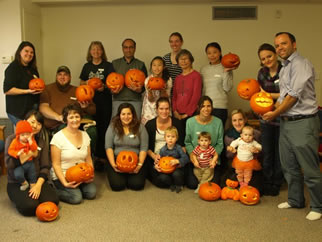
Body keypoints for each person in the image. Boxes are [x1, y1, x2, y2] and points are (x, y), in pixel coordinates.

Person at [263, 32, 321, 221]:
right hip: (286, 123)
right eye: (277, 45)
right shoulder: (284, 69)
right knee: (289, 166)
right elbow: (282, 97)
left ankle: (318, 206)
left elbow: (293, 96)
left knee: (309, 168)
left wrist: (274, 113)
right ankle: (295, 200)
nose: (280, 48)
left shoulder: (301, 64)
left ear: (294, 44)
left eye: (283, 44)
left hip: (303, 122)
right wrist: (269, 108)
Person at [5, 110, 59, 216]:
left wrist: (38, 185)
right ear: (25, 121)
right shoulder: (12, 139)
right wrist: (29, 154)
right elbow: (9, 165)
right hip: (17, 182)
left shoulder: (41, 142)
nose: (35, 126)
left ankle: (36, 191)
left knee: (53, 201)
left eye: (39, 124)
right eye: (32, 122)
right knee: (30, 207)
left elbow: (45, 166)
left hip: (36, 179)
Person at [39, 66, 96, 151]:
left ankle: (88, 157)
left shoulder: (78, 90)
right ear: (56, 76)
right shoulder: (47, 89)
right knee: (65, 131)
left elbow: (93, 110)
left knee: (92, 131)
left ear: (70, 77)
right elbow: (43, 107)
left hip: (78, 123)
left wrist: (85, 107)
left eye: (65, 75)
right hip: (58, 125)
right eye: (60, 74)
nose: (62, 77)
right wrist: (58, 117)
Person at [51, 103, 96, 204]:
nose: (75, 120)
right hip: (63, 175)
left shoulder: (85, 135)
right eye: (71, 117)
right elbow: (56, 164)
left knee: (91, 193)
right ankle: (53, 190)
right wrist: (64, 183)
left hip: (81, 174)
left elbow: (88, 159)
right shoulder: (57, 138)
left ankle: (77, 188)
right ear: (66, 119)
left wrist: (90, 175)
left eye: (77, 116)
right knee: (76, 198)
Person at [79, 41, 115, 169]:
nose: (96, 52)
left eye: (98, 49)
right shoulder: (86, 66)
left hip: (104, 101)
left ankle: (102, 157)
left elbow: (113, 83)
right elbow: (81, 82)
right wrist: (87, 82)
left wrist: (104, 86)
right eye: (93, 49)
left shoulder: (108, 65)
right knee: (91, 128)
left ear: (102, 51)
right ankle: (90, 155)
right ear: (90, 52)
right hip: (89, 102)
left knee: (103, 128)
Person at [257, 43, 283, 196]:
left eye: (269, 56)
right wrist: (269, 95)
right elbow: (259, 96)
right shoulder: (261, 73)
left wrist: (267, 94)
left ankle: (277, 182)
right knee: (267, 151)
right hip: (265, 118)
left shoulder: (285, 71)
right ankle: (267, 182)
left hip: (282, 118)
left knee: (279, 152)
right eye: (263, 58)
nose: (267, 60)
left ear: (276, 54)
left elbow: (287, 95)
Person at [105, 103, 148, 191]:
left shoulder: (140, 127)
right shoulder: (112, 127)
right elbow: (108, 147)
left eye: (129, 114)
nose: (126, 117)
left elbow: (144, 148)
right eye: (123, 114)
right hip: (117, 160)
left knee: (137, 185)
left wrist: (139, 165)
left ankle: (129, 177)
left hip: (136, 161)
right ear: (119, 115)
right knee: (117, 186)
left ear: (133, 115)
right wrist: (113, 165)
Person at [145, 97, 185, 188]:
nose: (164, 111)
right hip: (156, 158)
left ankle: (175, 178)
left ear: (170, 109)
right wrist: (154, 157)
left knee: (177, 175)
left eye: (167, 108)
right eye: (161, 109)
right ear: (157, 110)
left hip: (174, 158)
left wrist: (178, 160)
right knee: (163, 179)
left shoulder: (177, 123)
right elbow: (146, 147)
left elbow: (182, 145)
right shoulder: (150, 125)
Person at [185, 96, 224, 189]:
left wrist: (213, 158)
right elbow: (187, 142)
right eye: (203, 106)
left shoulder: (218, 122)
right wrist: (192, 156)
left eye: (208, 106)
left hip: (211, 160)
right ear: (198, 107)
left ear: (212, 107)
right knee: (192, 184)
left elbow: (220, 143)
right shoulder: (190, 122)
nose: (206, 109)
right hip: (196, 159)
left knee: (214, 184)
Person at [223, 109, 263, 191]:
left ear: (245, 119)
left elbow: (262, 151)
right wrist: (233, 150)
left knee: (256, 188)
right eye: (234, 120)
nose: (237, 123)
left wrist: (256, 151)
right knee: (227, 184)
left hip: (251, 164)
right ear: (231, 122)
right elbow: (228, 156)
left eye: (240, 119)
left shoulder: (255, 133)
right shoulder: (229, 135)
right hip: (236, 165)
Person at [3, 41, 41, 125]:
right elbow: (7, 90)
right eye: (26, 51)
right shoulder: (13, 68)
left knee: (30, 133)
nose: (29, 54)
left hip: (31, 110)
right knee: (24, 133)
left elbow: (37, 83)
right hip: (17, 111)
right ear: (20, 52)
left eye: (32, 52)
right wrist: (27, 91)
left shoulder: (32, 69)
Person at [200, 42, 236, 127]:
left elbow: (227, 88)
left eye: (214, 52)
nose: (212, 55)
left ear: (220, 52)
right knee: (205, 136)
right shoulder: (203, 69)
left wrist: (226, 72)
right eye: (209, 53)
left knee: (218, 134)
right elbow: (201, 88)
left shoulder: (226, 67)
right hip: (205, 107)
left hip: (220, 107)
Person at [111, 38, 148, 118]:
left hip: (135, 101)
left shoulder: (140, 64)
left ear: (135, 49)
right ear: (122, 49)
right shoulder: (115, 63)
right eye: (126, 47)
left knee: (135, 126)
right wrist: (113, 91)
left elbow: (145, 85)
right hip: (118, 100)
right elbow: (109, 82)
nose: (128, 50)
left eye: (131, 47)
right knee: (117, 126)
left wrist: (140, 90)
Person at [172, 49, 202, 130]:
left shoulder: (196, 76)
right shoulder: (177, 78)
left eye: (186, 59)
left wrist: (187, 114)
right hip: (177, 114)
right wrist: (175, 111)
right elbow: (174, 96)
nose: (183, 61)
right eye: (181, 59)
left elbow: (196, 96)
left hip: (191, 114)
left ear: (191, 60)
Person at [155, 126, 189, 193]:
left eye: (173, 137)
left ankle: (179, 184)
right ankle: (171, 184)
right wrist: (156, 165)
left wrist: (178, 161)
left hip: (177, 169)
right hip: (166, 171)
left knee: (176, 174)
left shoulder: (178, 148)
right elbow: (159, 161)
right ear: (165, 138)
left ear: (176, 138)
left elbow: (186, 158)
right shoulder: (162, 150)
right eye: (168, 136)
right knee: (162, 178)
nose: (170, 139)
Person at [8, 120, 38, 191]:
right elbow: (10, 150)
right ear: (18, 135)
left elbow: (34, 149)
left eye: (27, 134)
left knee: (33, 173)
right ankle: (24, 183)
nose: (25, 137)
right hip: (20, 164)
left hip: (30, 162)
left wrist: (30, 141)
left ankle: (33, 184)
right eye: (22, 135)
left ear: (30, 134)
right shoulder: (15, 141)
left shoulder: (31, 140)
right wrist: (17, 153)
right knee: (18, 174)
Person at [141, 56, 172, 125]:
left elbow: (165, 99)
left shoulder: (168, 80)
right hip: (150, 109)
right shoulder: (148, 80)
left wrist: (163, 91)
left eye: (159, 65)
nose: (156, 68)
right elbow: (151, 100)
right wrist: (149, 91)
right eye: (154, 65)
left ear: (163, 67)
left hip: (163, 108)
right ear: (151, 67)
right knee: (150, 127)